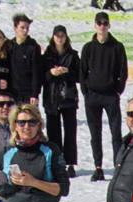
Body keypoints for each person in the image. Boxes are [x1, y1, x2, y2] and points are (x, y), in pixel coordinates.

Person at [80, 11, 126, 183]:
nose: (102, 26)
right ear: (94, 25)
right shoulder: (88, 48)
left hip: (110, 95)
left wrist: (118, 91)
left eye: (105, 23)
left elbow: (123, 71)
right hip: (92, 96)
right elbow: (82, 71)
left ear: (109, 25)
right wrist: (85, 91)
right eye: (99, 23)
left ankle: (118, 166)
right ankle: (98, 167)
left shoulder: (117, 47)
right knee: (95, 133)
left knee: (116, 133)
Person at [39, 25, 80, 172]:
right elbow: (41, 77)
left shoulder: (72, 55)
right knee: (53, 132)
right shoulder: (47, 56)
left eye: (62, 35)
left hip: (68, 98)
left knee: (70, 132)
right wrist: (51, 73)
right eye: (57, 35)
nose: (60, 38)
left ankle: (70, 163)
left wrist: (67, 71)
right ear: (53, 37)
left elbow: (80, 76)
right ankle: (57, 162)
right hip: (51, 98)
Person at [8, 14, 42, 107]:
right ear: (15, 28)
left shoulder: (33, 47)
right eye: (22, 27)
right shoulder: (9, 45)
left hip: (29, 94)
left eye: (27, 28)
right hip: (12, 92)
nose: (25, 30)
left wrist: (35, 94)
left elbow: (37, 72)